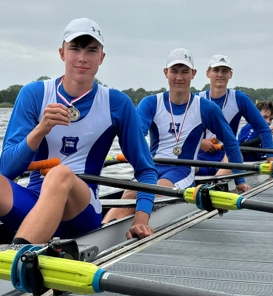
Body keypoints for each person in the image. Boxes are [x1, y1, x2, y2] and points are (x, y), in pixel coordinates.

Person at [0, 18, 158, 287]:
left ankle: (16, 262)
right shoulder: (34, 94)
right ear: (62, 53)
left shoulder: (116, 102)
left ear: (101, 58)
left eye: (91, 50)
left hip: (80, 212)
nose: (82, 58)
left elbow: (146, 170)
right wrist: (40, 129)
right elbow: (8, 169)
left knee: (59, 174)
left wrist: (141, 218)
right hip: (33, 202)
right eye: (75, 48)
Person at [103, 49, 248, 224]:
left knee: (148, 192)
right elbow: (135, 135)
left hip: (182, 170)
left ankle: (123, 224)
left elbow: (231, 143)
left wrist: (239, 180)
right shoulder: (150, 103)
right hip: (150, 167)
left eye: (185, 71)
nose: (179, 77)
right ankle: (105, 227)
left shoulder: (206, 108)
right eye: (174, 71)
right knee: (129, 195)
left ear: (193, 74)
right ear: (166, 72)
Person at [194, 54, 273, 177]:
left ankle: (214, 182)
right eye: (216, 70)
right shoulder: (197, 99)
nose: (220, 74)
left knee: (236, 155)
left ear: (230, 75)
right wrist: (200, 143)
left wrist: (271, 161)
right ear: (208, 73)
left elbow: (264, 129)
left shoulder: (239, 98)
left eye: (225, 71)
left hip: (226, 157)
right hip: (199, 157)